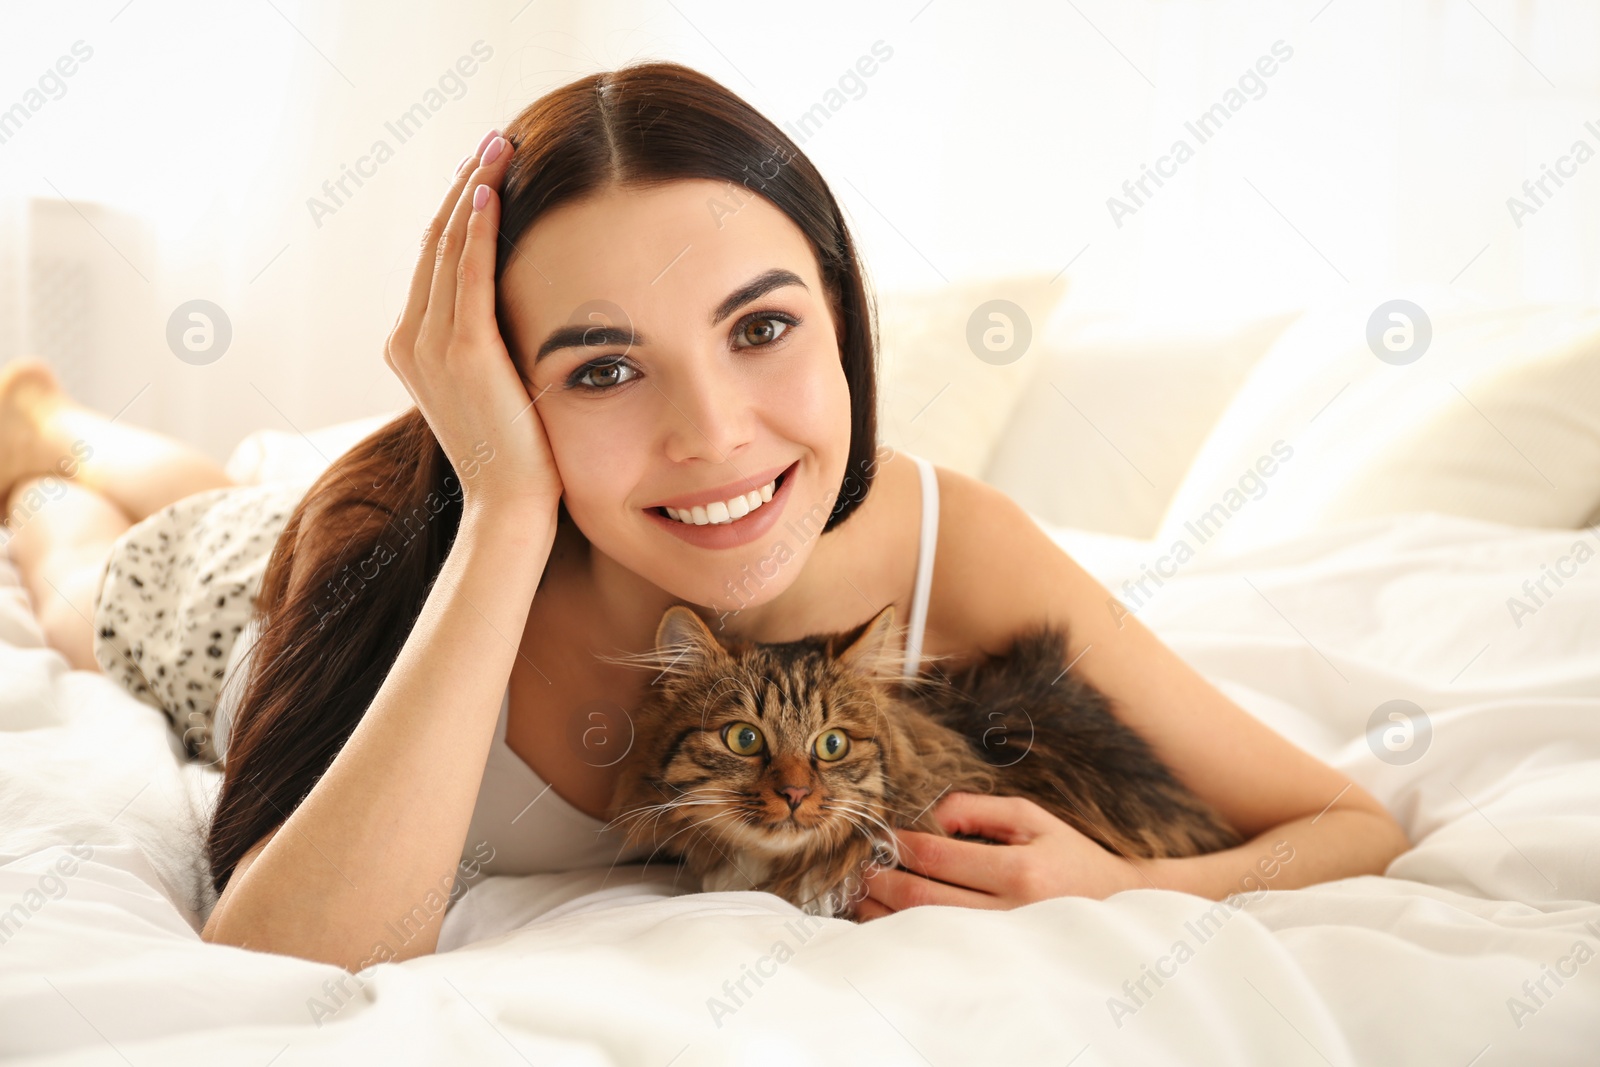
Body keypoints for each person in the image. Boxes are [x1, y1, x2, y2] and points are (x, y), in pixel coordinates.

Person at [0, 61, 1408, 972]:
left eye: (762, 327)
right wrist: (499, 512)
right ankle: (51, 451)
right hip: (263, 589)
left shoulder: (950, 545)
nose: (716, 438)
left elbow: (1347, 825)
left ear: (848, 324)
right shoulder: (449, 530)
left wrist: (1117, 888)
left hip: (374, 499)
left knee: (232, 474)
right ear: (503, 392)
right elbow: (287, 964)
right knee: (85, 567)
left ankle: (87, 434)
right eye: (603, 367)